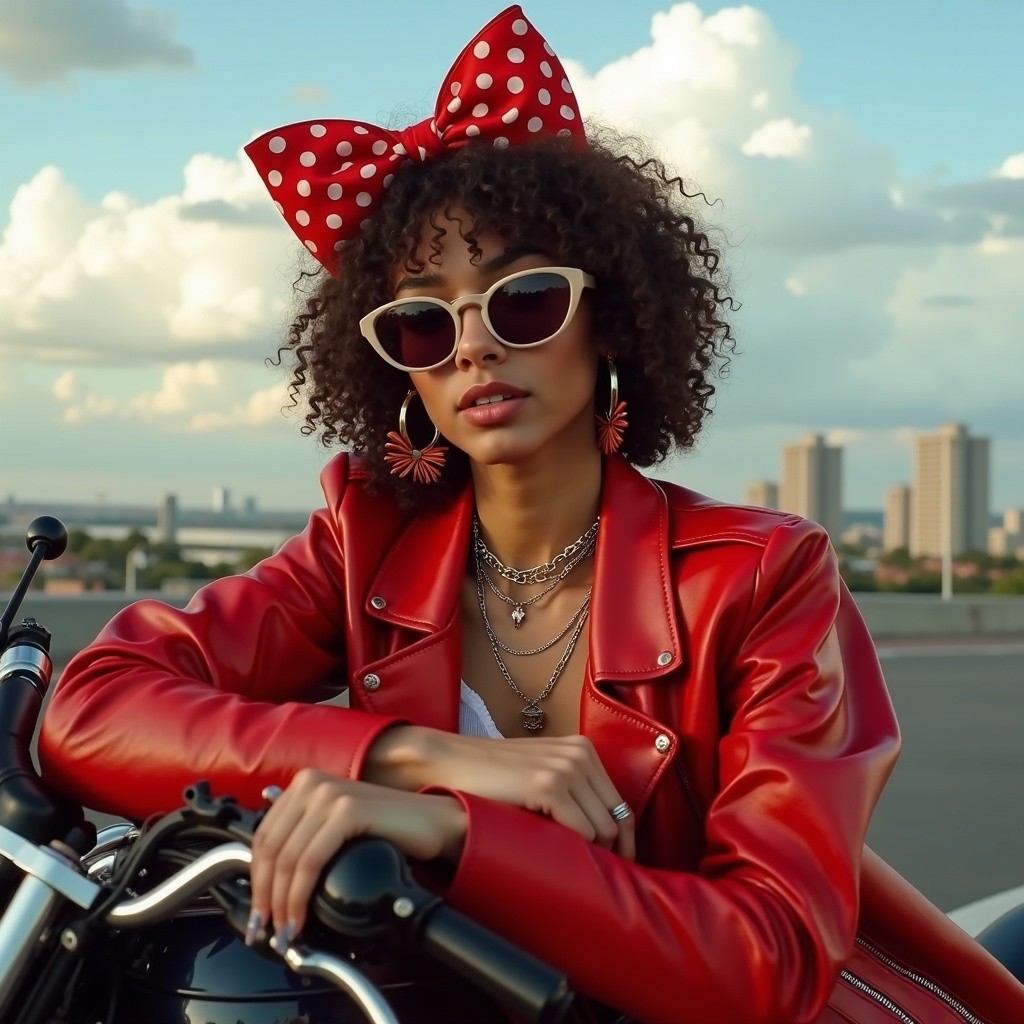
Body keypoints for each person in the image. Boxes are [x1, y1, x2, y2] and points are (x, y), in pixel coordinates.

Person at [39, 6, 1023, 1023]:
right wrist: (414, 759)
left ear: (610, 317)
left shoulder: (762, 577)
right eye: (424, 320)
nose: (472, 347)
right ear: (397, 369)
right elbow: (90, 707)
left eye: (521, 301)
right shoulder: (361, 539)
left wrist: (454, 830)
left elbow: (765, 962)